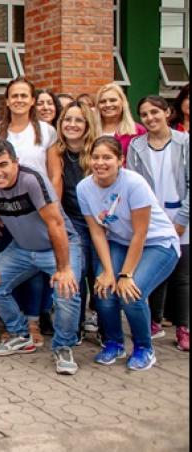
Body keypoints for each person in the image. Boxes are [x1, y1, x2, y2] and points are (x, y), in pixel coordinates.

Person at [0, 140, 83, 375]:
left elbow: (56, 224)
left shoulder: (31, 180)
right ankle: (21, 335)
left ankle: (63, 346)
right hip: (22, 248)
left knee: (67, 291)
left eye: (3, 164)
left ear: (16, 162)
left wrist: (63, 268)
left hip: (58, 246)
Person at [76, 136, 180, 371]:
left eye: (107, 157)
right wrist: (109, 272)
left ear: (120, 161)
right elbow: (98, 232)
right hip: (119, 241)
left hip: (158, 243)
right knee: (104, 289)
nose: (100, 163)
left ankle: (144, 348)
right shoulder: (84, 188)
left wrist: (125, 275)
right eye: (96, 157)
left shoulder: (134, 183)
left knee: (132, 293)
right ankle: (114, 343)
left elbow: (140, 234)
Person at [0, 77, 58, 345]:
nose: (19, 100)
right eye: (14, 96)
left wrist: (52, 210)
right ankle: (14, 322)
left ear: (32, 100)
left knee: (34, 270)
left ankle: (32, 323)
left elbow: (54, 173)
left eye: (24, 96)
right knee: (9, 269)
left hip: (37, 212)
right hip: (6, 211)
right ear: (6, 101)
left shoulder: (45, 131)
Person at [128, 96, 189, 350]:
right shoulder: (136, 146)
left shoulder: (185, 142)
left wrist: (183, 220)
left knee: (182, 275)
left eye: (155, 112)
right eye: (144, 114)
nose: (150, 118)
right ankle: (153, 321)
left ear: (167, 112)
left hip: (182, 218)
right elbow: (133, 184)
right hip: (151, 219)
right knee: (156, 271)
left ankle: (184, 328)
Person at [47, 101, 100, 341]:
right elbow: (56, 187)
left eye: (78, 120)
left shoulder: (97, 151)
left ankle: (107, 330)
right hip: (71, 221)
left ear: (88, 124)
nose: (72, 124)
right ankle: (74, 328)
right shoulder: (57, 151)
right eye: (67, 119)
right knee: (75, 274)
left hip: (100, 222)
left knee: (99, 276)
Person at [94, 83, 146, 154]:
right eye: (103, 101)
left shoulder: (138, 130)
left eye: (113, 100)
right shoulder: (90, 130)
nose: (108, 105)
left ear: (123, 102)